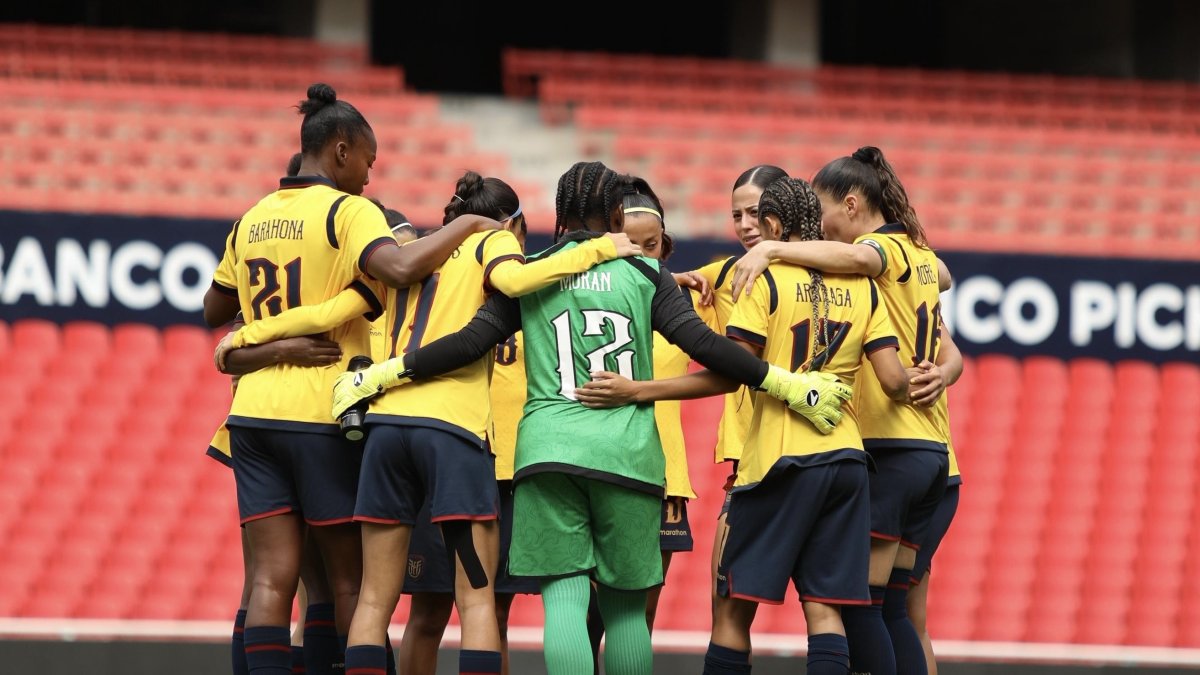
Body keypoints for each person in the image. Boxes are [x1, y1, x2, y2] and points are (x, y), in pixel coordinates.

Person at [331, 162, 852, 675]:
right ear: (618, 213)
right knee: (625, 611)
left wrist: (387, 374)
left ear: (558, 215)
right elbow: (709, 349)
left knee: (564, 602)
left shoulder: (531, 275)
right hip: (628, 455)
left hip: (547, 453)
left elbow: (467, 343)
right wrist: (787, 384)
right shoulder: (646, 274)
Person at [218, 168, 636, 675]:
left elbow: (323, 313)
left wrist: (244, 339)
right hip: (451, 433)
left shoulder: (403, 257)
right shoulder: (493, 244)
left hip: (385, 433)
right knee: (477, 603)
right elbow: (516, 280)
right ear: (513, 223)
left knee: (373, 600)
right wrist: (602, 249)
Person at [201, 83, 506, 675]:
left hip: (252, 413)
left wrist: (270, 335)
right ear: (342, 151)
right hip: (321, 410)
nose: (370, 175)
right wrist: (469, 224)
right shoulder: (350, 210)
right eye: (369, 159)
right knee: (349, 585)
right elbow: (400, 265)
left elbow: (216, 312)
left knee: (269, 579)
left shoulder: (252, 217)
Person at [728, 146, 952, 675]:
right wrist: (944, 372)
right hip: (935, 451)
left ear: (851, 204)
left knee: (864, 608)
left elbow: (855, 258)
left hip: (886, 447)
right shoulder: (919, 254)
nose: (821, 228)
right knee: (900, 611)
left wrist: (775, 252)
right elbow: (943, 291)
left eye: (824, 211)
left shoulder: (873, 255)